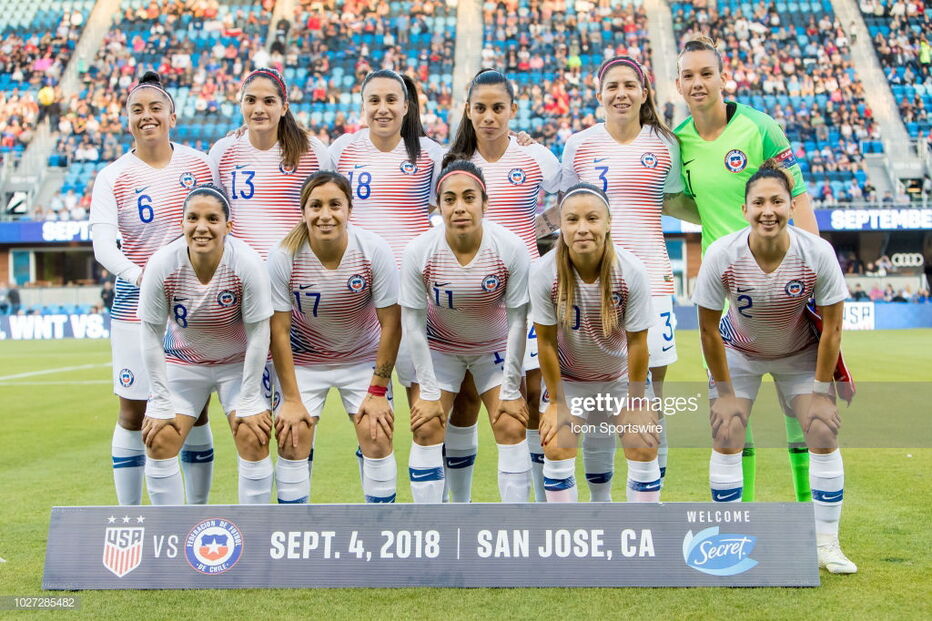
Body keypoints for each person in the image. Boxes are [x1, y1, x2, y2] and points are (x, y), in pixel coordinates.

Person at [675, 36, 820, 503]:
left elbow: (797, 196)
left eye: (706, 73)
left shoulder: (761, 129)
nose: (698, 83)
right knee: (731, 414)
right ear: (678, 84)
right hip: (723, 293)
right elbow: (694, 206)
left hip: (784, 285)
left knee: (802, 413)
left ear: (723, 77)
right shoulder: (679, 141)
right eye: (689, 76)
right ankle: (744, 517)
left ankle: (807, 521)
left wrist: (815, 268)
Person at [693, 160, 856, 573]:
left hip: (799, 352)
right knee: (727, 431)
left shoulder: (816, 253)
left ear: (790, 206)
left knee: (821, 429)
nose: (769, 210)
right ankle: (727, 541)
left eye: (778, 201)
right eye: (759, 202)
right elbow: (709, 331)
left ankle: (826, 544)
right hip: (738, 351)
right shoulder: (721, 254)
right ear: (744, 209)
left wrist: (821, 389)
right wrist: (725, 393)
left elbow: (833, 326)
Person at [561, 56, 699, 500]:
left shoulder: (665, 144)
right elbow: (564, 212)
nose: (621, 93)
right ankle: (601, 505)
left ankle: (649, 500)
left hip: (654, 282)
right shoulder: (579, 144)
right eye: (612, 85)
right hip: (590, 286)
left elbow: (679, 202)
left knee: (649, 395)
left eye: (630, 85)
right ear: (599, 94)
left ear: (644, 92)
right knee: (598, 394)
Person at [89, 71, 217, 506]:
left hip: (193, 308)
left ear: (172, 116)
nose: (147, 116)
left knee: (195, 410)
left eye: (155, 108)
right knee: (134, 412)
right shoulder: (113, 176)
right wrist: (143, 276)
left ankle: (194, 516)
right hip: (135, 308)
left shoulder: (199, 164)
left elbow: (218, 226)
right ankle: (130, 517)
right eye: (137, 110)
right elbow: (103, 245)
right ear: (128, 121)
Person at [441, 68, 562, 502]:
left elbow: (572, 200)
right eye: (481, 108)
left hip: (526, 296)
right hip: (469, 298)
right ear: (468, 112)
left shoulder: (535, 157)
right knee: (467, 399)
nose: (489, 116)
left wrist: (539, 226)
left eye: (498, 108)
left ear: (513, 110)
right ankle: (461, 509)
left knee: (530, 396)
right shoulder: (454, 163)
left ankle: (538, 507)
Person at [329, 69, 444, 474]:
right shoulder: (341, 150)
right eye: (373, 100)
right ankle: (380, 513)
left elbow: (453, 207)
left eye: (391, 99)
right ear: (362, 106)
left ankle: (433, 514)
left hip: (412, 301)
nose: (383, 108)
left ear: (406, 105)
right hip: (358, 304)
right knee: (371, 423)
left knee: (425, 416)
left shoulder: (430, 153)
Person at [400, 160, 531, 503]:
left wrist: (513, 388)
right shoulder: (419, 251)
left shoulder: (511, 248)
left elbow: (519, 320)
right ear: (439, 205)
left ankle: (514, 527)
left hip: (494, 349)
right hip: (440, 348)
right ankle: (433, 527)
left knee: (511, 423)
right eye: (450, 199)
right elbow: (412, 324)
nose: (459, 207)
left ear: (484, 203)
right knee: (426, 425)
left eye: (469, 197)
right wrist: (428, 392)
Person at [267, 171, 401, 503]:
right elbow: (278, 331)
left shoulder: (373, 250)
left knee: (377, 433)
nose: (325, 215)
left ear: (349, 210)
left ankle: (380, 528)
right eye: (315, 205)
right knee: (292, 436)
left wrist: (378, 391)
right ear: (303, 211)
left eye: (335, 205)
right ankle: (293, 534)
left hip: (362, 358)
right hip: (304, 361)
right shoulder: (283, 255)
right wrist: (292, 399)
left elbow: (392, 325)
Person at [138, 185, 273, 505]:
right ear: (182, 223)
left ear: (228, 226)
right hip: (185, 363)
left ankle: (254, 535)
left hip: (238, 366)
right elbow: (151, 334)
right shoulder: (161, 264)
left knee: (253, 436)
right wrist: (159, 399)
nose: (201, 227)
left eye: (212, 219)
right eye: (193, 218)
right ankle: (171, 534)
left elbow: (258, 334)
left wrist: (251, 397)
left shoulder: (247, 263)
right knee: (159, 438)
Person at [531, 184, 657, 502]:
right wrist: (557, 402)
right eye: (572, 220)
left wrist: (637, 402)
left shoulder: (631, 271)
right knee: (557, 445)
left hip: (620, 378)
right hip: (570, 381)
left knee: (643, 443)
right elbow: (545, 343)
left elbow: (638, 343)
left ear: (609, 222)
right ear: (561, 224)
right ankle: (570, 539)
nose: (583, 228)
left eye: (592, 218)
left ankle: (642, 539)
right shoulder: (544, 272)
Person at [209, 67, 332, 260]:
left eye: (269, 101)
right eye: (250, 100)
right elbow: (214, 213)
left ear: (284, 108)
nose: (259, 109)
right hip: (241, 269)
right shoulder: (222, 151)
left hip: (295, 267)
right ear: (240, 104)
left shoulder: (312, 151)